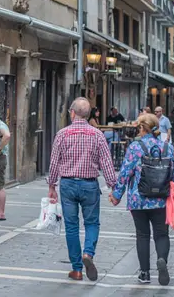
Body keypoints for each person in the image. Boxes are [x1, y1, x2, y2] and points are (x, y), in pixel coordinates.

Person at [47, 97, 117, 282]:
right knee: (92, 223)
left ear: (72, 112)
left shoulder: (62, 134)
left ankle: (77, 269)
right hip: (89, 185)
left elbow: (54, 162)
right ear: (87, 115)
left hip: (68, 185)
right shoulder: (97, 135)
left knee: (71, 227)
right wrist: (113, 186)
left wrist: (51, 185)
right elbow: (107, 162)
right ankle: (88, 253)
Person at [110, 112, 174, 286]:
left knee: (142, 235)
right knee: (162, 234)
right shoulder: (167, 147)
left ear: (142, 127)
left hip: (138, 198)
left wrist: (117, 195)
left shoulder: (135, 147)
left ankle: (144, 273)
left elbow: (125, 172)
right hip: (161, 199)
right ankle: (162, 259)